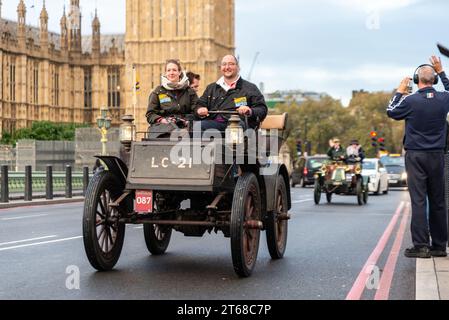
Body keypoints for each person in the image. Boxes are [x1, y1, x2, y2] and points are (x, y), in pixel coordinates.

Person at [387, 56, 449, 259]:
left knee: (419, 200)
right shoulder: (443, 99)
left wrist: (399, 91)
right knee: (438, 200)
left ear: (416, 80)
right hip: (437, 155)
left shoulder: (410, 100)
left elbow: (391, 112)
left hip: (415, 155)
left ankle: (421, 245)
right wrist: (441, 71)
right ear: (435, 81)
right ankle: (439, 246)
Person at [194, 55, 268, 131]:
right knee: (197, 127)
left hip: (238, 125)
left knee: (235, 127)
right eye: (224, 64)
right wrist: (200, 109)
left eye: (231, 64)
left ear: (238, 67)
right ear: (220, 68)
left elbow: (262, 109)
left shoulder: (250, 88)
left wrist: (249, 111)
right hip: (214, 124)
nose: (227, 67)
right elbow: (199, 104)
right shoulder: (211, 88)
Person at [146, 59, 198, 137]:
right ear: (165, 73)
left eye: (174, 70)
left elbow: (196, 110)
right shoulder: (158, 91)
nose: (171, 73)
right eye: (168, 70)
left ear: (179, 72)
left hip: (185, 127)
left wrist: (187, 120)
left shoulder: (189, 91)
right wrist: (162, 120)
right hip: (163, 129)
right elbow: (150, 114)